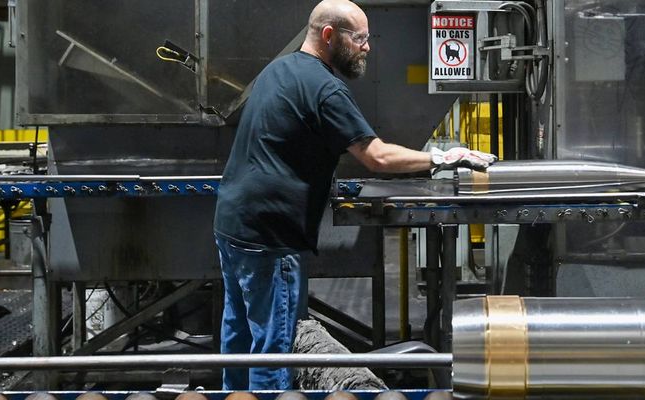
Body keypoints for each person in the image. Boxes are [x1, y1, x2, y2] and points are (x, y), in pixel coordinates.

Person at [212, 0, 496, 390]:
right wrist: (442, 158)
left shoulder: (279, 69)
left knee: (240, 334)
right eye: (360, 38)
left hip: (233, 224)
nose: (367, 47)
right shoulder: (326, 88)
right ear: (329, 36)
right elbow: (376, 156)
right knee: (273, 347)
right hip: (271, 235)